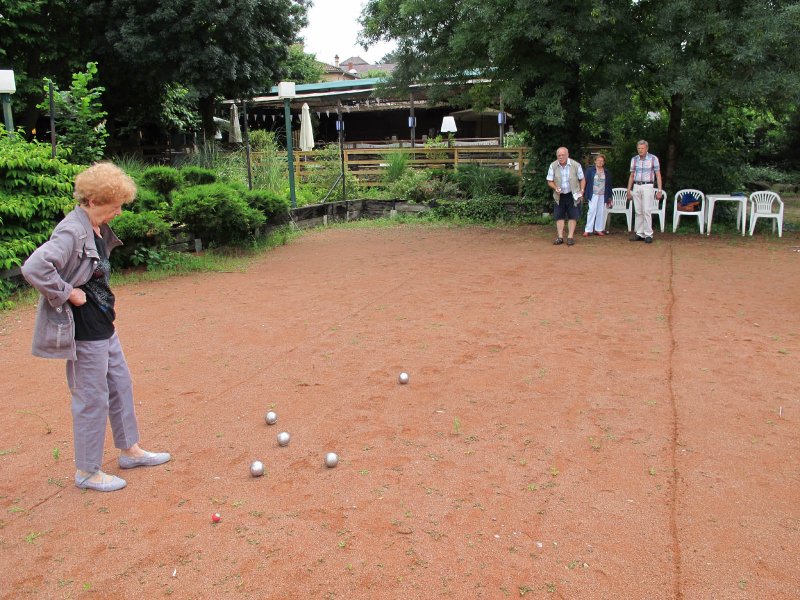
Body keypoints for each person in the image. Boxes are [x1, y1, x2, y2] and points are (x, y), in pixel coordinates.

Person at [21, 162, 171, 492]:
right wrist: (66, 292)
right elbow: (34, 266)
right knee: (92, 398)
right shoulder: (71, 231)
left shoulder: (95, 227)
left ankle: (129, 450)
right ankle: (87, 471)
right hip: (86, 328)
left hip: (104, 322)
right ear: (92, 201)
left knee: (120, 384)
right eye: (113, 205)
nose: (118, 212)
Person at [546, 147, 585, 246]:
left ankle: (570, 237)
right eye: (559, 155)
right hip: (559, 195)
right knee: (559, 216)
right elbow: (549, 181)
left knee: (573, 216)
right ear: (557, 156)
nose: (561, 157)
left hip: (573, 194)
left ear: (567, 155)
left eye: (563, 155)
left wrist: (582, 191)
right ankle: (560, 237)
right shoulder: (553, 165)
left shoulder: (576, 165)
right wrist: (555, 187)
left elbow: (582, 179)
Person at [626, 140, 663, 243]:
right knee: (638, 210)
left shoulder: (653, 158)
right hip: (637, 185)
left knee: (646, 210)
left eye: (642, 148)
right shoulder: (634, 159)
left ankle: (648, 234)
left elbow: (658, 174)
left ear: (647, 148)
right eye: (639, 148)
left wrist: (659, 190)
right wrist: (629, 190)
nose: (640, 150)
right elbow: (632, 175)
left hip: (648, 185)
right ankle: (639, 233)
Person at [583, 153, 613, 236]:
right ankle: (588, 229)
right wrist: (583, 191)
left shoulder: (606, 172)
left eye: (602, 161)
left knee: (601, 211)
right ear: (595, 161)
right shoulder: (590, 170)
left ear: (604, 162)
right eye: (598, 160)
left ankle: (598, 229)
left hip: (603, 194)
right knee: (591, 211)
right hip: (593, 193)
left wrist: (609, 197)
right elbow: (585, 181)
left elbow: (609, 184)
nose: (600, 162)